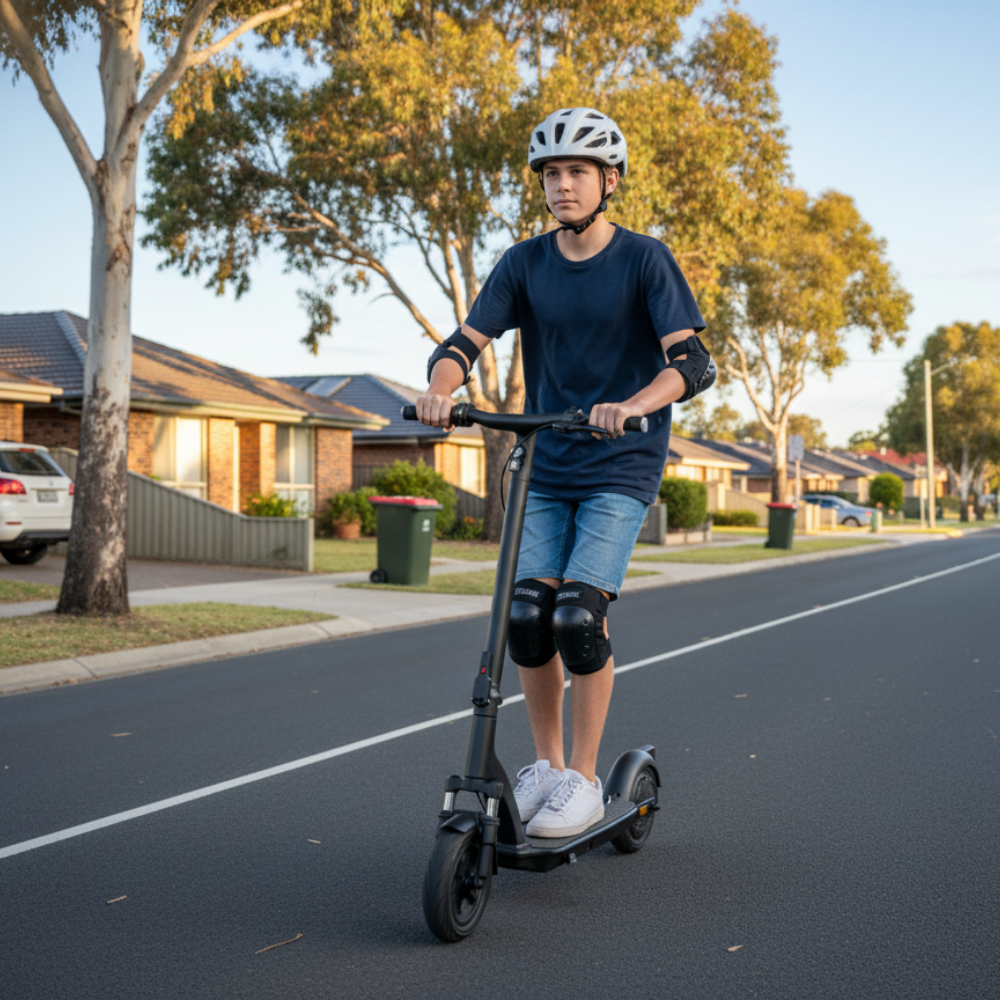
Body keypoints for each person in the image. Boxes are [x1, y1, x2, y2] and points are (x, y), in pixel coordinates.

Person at [416, 107, 715, 838]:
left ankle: (583, 778)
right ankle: (547, 768)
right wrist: (440, 388)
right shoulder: (524, 264)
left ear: (609, 180)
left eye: (577, 171)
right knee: (526, 618)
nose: (562, 186)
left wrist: (633, 404)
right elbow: (464, 340)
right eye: (551, 174)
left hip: (621, 461)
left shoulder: (646, 260)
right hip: (548, 461)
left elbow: (692, 362)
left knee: (579, 616)